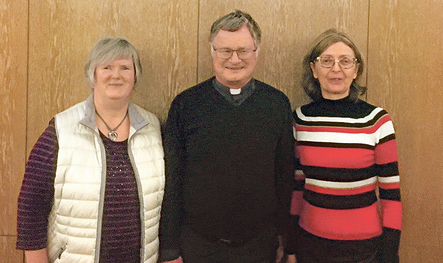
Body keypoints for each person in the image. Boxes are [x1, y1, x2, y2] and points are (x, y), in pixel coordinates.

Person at [159, 10, 295, 263]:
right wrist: (169, 248)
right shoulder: (186, 105)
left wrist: (286, 241)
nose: (234, 59)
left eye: (243, 50)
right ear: (212, 52)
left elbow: (284, 177)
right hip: (197, 245)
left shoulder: (276, 104)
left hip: (259, 246)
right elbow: (172, 180)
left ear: (257, 52)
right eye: (225, 51)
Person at [16, 37, 165, 263]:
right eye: (106, 67)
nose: (116, 75)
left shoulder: (153, 129)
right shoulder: (61, 130)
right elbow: (31, 205)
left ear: (135, 76)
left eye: (125, 68)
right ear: (93, 74)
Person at [285, 28, 402, 263]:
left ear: (356, 70)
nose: (336, 69)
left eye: (345, 61)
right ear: (313, 69)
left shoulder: (376, 121)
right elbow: (297, 189)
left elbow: (391, 198)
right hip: (310, 245)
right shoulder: (300, 119)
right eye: (326, 61)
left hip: (363, 250)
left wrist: (389, 256)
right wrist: (290, 248)